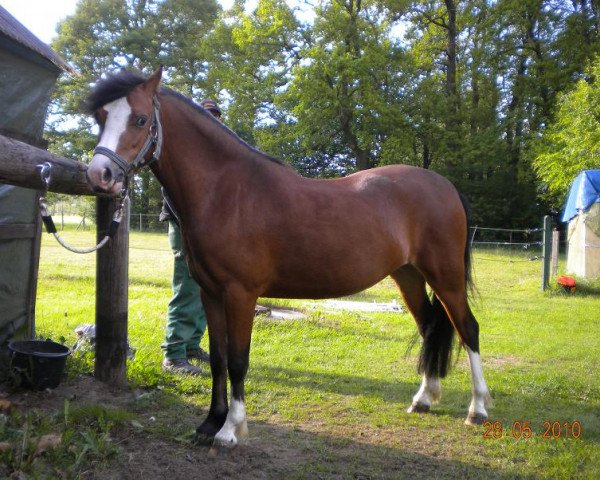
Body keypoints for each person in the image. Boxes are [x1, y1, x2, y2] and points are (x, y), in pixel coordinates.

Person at [160, 99, 223, 375]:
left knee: (205, 288)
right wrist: (189, 225)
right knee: (186, 286)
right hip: (184, 225)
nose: (213, 122)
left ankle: (191, 345)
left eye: (216, 118)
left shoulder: (213, 156)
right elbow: (173, 192)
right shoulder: (182, 151)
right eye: (208, 117)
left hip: (209, 231)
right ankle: (173, 353)